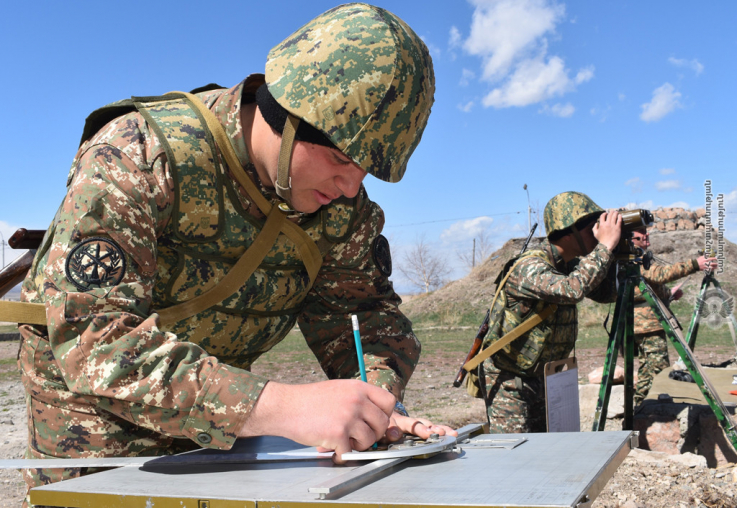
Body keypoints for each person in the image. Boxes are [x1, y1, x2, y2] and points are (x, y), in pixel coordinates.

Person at [12, 4, 455, 503]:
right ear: (287, 119)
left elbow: (368, 317)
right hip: (95, 438)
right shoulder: (138, 156)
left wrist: (374, 403)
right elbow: (94, 339)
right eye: (340, 159)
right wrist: (277, 406)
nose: (353, 188)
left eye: (367, 171)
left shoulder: (340, 210)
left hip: (219, 438)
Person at [477, 191, 622, 433]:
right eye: (592, 229)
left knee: (552, 454)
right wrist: (606, 245)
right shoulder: (529, 266)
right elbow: (572, 289)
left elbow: (608, 294)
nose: (597, 235)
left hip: (547, 377)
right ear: (569, 231)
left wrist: (616, 252)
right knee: (516, 458)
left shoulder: (570, 266)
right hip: (510, 380)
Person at [630, 227, 718, 404]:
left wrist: (668, 293)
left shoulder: (638, 257)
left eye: (646, 231)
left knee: (647, 369)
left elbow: (648, 285)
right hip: (646, 325)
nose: (646, 235)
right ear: (631, 237)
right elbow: (660, 274)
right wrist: (695, 264)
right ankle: (656, 411)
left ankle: (640, 407)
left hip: (648, 323)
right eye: (641, 232)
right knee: (659, 369)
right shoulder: (633, 259)